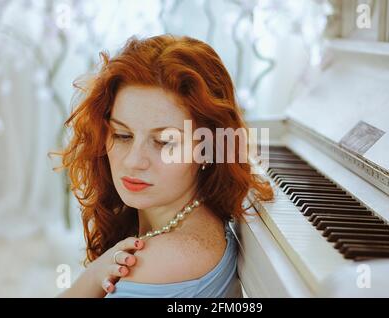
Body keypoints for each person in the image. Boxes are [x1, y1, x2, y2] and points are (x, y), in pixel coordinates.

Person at [52, 34, 273, 298]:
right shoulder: (203, 221)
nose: (134, 161)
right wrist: (98, 270)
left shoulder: (155, 264)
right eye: (122, 135)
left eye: (164, 141)